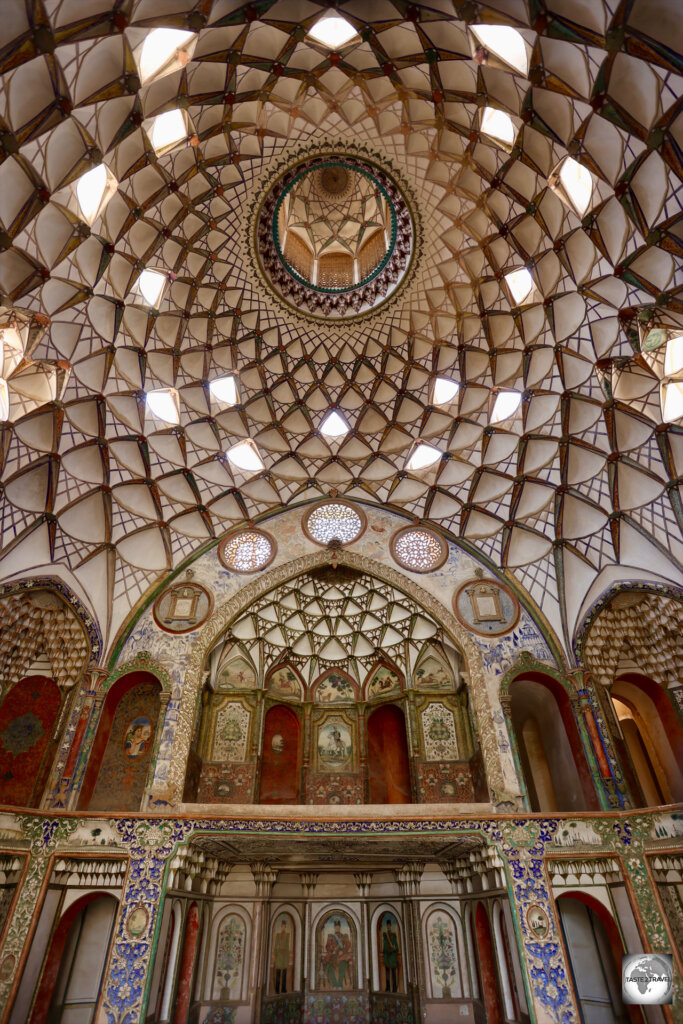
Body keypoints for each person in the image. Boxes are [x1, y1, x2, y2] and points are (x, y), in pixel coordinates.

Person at [322, 918, 352, 989]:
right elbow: (327, 946)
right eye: (336, 927)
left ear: (340, 927)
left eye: (338, 927)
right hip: (333, 955)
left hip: (342, 956)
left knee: (343, 964)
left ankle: (339, 984)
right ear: (334, 927)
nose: (337, 928)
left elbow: (348, 945)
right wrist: (332, 950)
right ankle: (335, 984)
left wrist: (343, 951)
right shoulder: (330, 936)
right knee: (329, 966)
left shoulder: (344, 936)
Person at [382, 917, 400, 992]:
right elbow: (384, 946)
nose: (388, 926)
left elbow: (396, 947)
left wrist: (393, 950)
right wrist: (386, 951)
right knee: (387, 973)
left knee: (393, 973)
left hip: (392, 957)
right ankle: (388, 987)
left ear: (391, 926)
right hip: (387, 957)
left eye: (389, 925)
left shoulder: (393, 935)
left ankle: (394, 988)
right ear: (387, 926)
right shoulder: (385, 936)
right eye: (387, 925)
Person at [273, 918, 290, 994]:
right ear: (281, 927)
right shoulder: (278, 935)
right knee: (278, 972)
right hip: (279, 955)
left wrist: (287, 956)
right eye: (282, 926)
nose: (283, 927)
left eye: (284, 926)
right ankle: (277, 989)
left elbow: (287, 946)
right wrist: (275, 954)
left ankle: (283, 988)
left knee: (284, 973)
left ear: (285, 927)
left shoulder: (287, 935)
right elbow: (275, 946)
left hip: (285, 956)